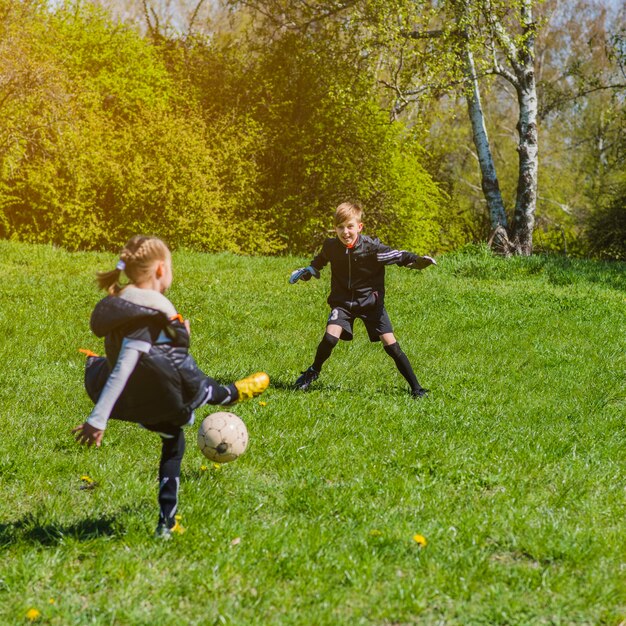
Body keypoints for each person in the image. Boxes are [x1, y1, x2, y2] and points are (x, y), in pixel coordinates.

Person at [73, 235, 269, 539]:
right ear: (161, 270)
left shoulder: (123, 304)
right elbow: (127, 363)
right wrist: (97, 419)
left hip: (137, 400)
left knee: (173, 443)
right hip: (160, 392)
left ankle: (168, 523)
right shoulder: (149, 312)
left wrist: (177, 337)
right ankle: (231, 393)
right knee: (198, 384)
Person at [289, 202, 435, 397]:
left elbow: (399, 256)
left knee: (391, 344)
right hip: (343, 303)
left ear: (359, 226)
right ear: (335, 228)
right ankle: (313, 372)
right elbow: (320, 260)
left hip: (371, 304)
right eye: (340, 227)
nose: (345, 232)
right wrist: (308, 271)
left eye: (350, 226)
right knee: (330, 337)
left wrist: (418, 261)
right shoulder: (331, 246)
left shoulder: (373, 249)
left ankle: (417, 388)